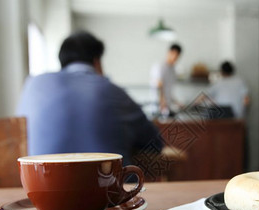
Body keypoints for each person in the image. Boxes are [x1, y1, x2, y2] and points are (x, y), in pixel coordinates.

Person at [17, 31, 162, 166]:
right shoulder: (113, 91)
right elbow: (155, 143)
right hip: (108, 190)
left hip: (42, 189)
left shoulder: (33, 85)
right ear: (97, 61)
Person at [150, 44, 182, 116]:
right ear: (169, 52)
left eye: (177, 56)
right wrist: (162, 101)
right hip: (158, 107)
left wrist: (177, 102)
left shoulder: (173, 70)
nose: (175, 57)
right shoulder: (159, 66)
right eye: (173, 54)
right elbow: (158, 84)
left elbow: (169, 90)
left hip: (168, 107)